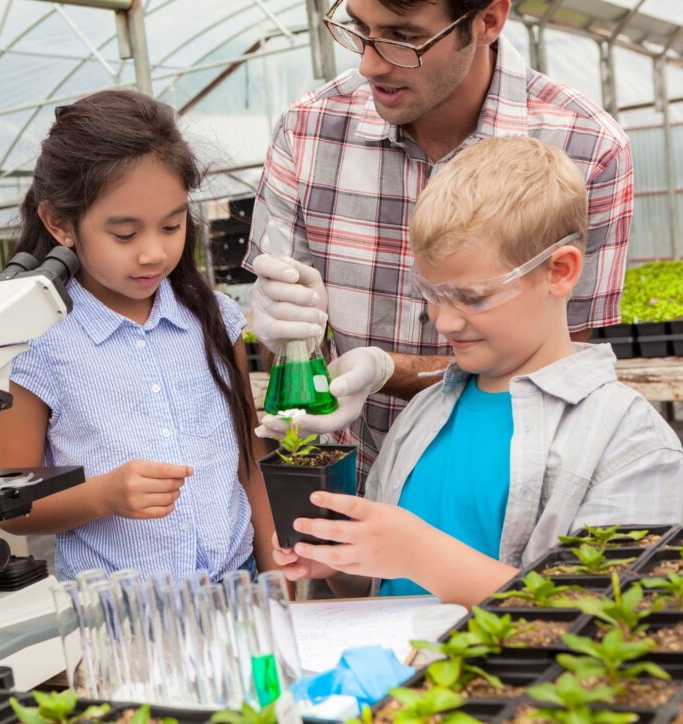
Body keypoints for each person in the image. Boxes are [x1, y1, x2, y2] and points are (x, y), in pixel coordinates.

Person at [271, 136, 682, 608]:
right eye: (431, 293)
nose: (444, 321)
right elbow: (376, 587)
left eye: (472, 297)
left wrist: (423, 556)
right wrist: (341, 561)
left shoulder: (627, 443)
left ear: (560, 271)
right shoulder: (423, 416)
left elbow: (616, 620)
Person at [245, 0, 633, 485]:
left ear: (488, 20)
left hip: (506, 488)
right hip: (351, 482)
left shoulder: (586, 147)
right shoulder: (307, 131)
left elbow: (556, 364)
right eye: (360, 29)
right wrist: (281, 328)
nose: (369, 63)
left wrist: (389, 371)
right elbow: (287, 331)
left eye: (403, 38)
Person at [0, 90, 276, 581]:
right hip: (121, 615)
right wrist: (103, 496)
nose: (153, 253)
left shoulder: (214, 318)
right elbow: (13, 507)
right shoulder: (37, 343)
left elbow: (251, 462)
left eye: (172, 225)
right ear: (60, 223)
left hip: (239, 587)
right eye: (125, 235)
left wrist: (278, 582)